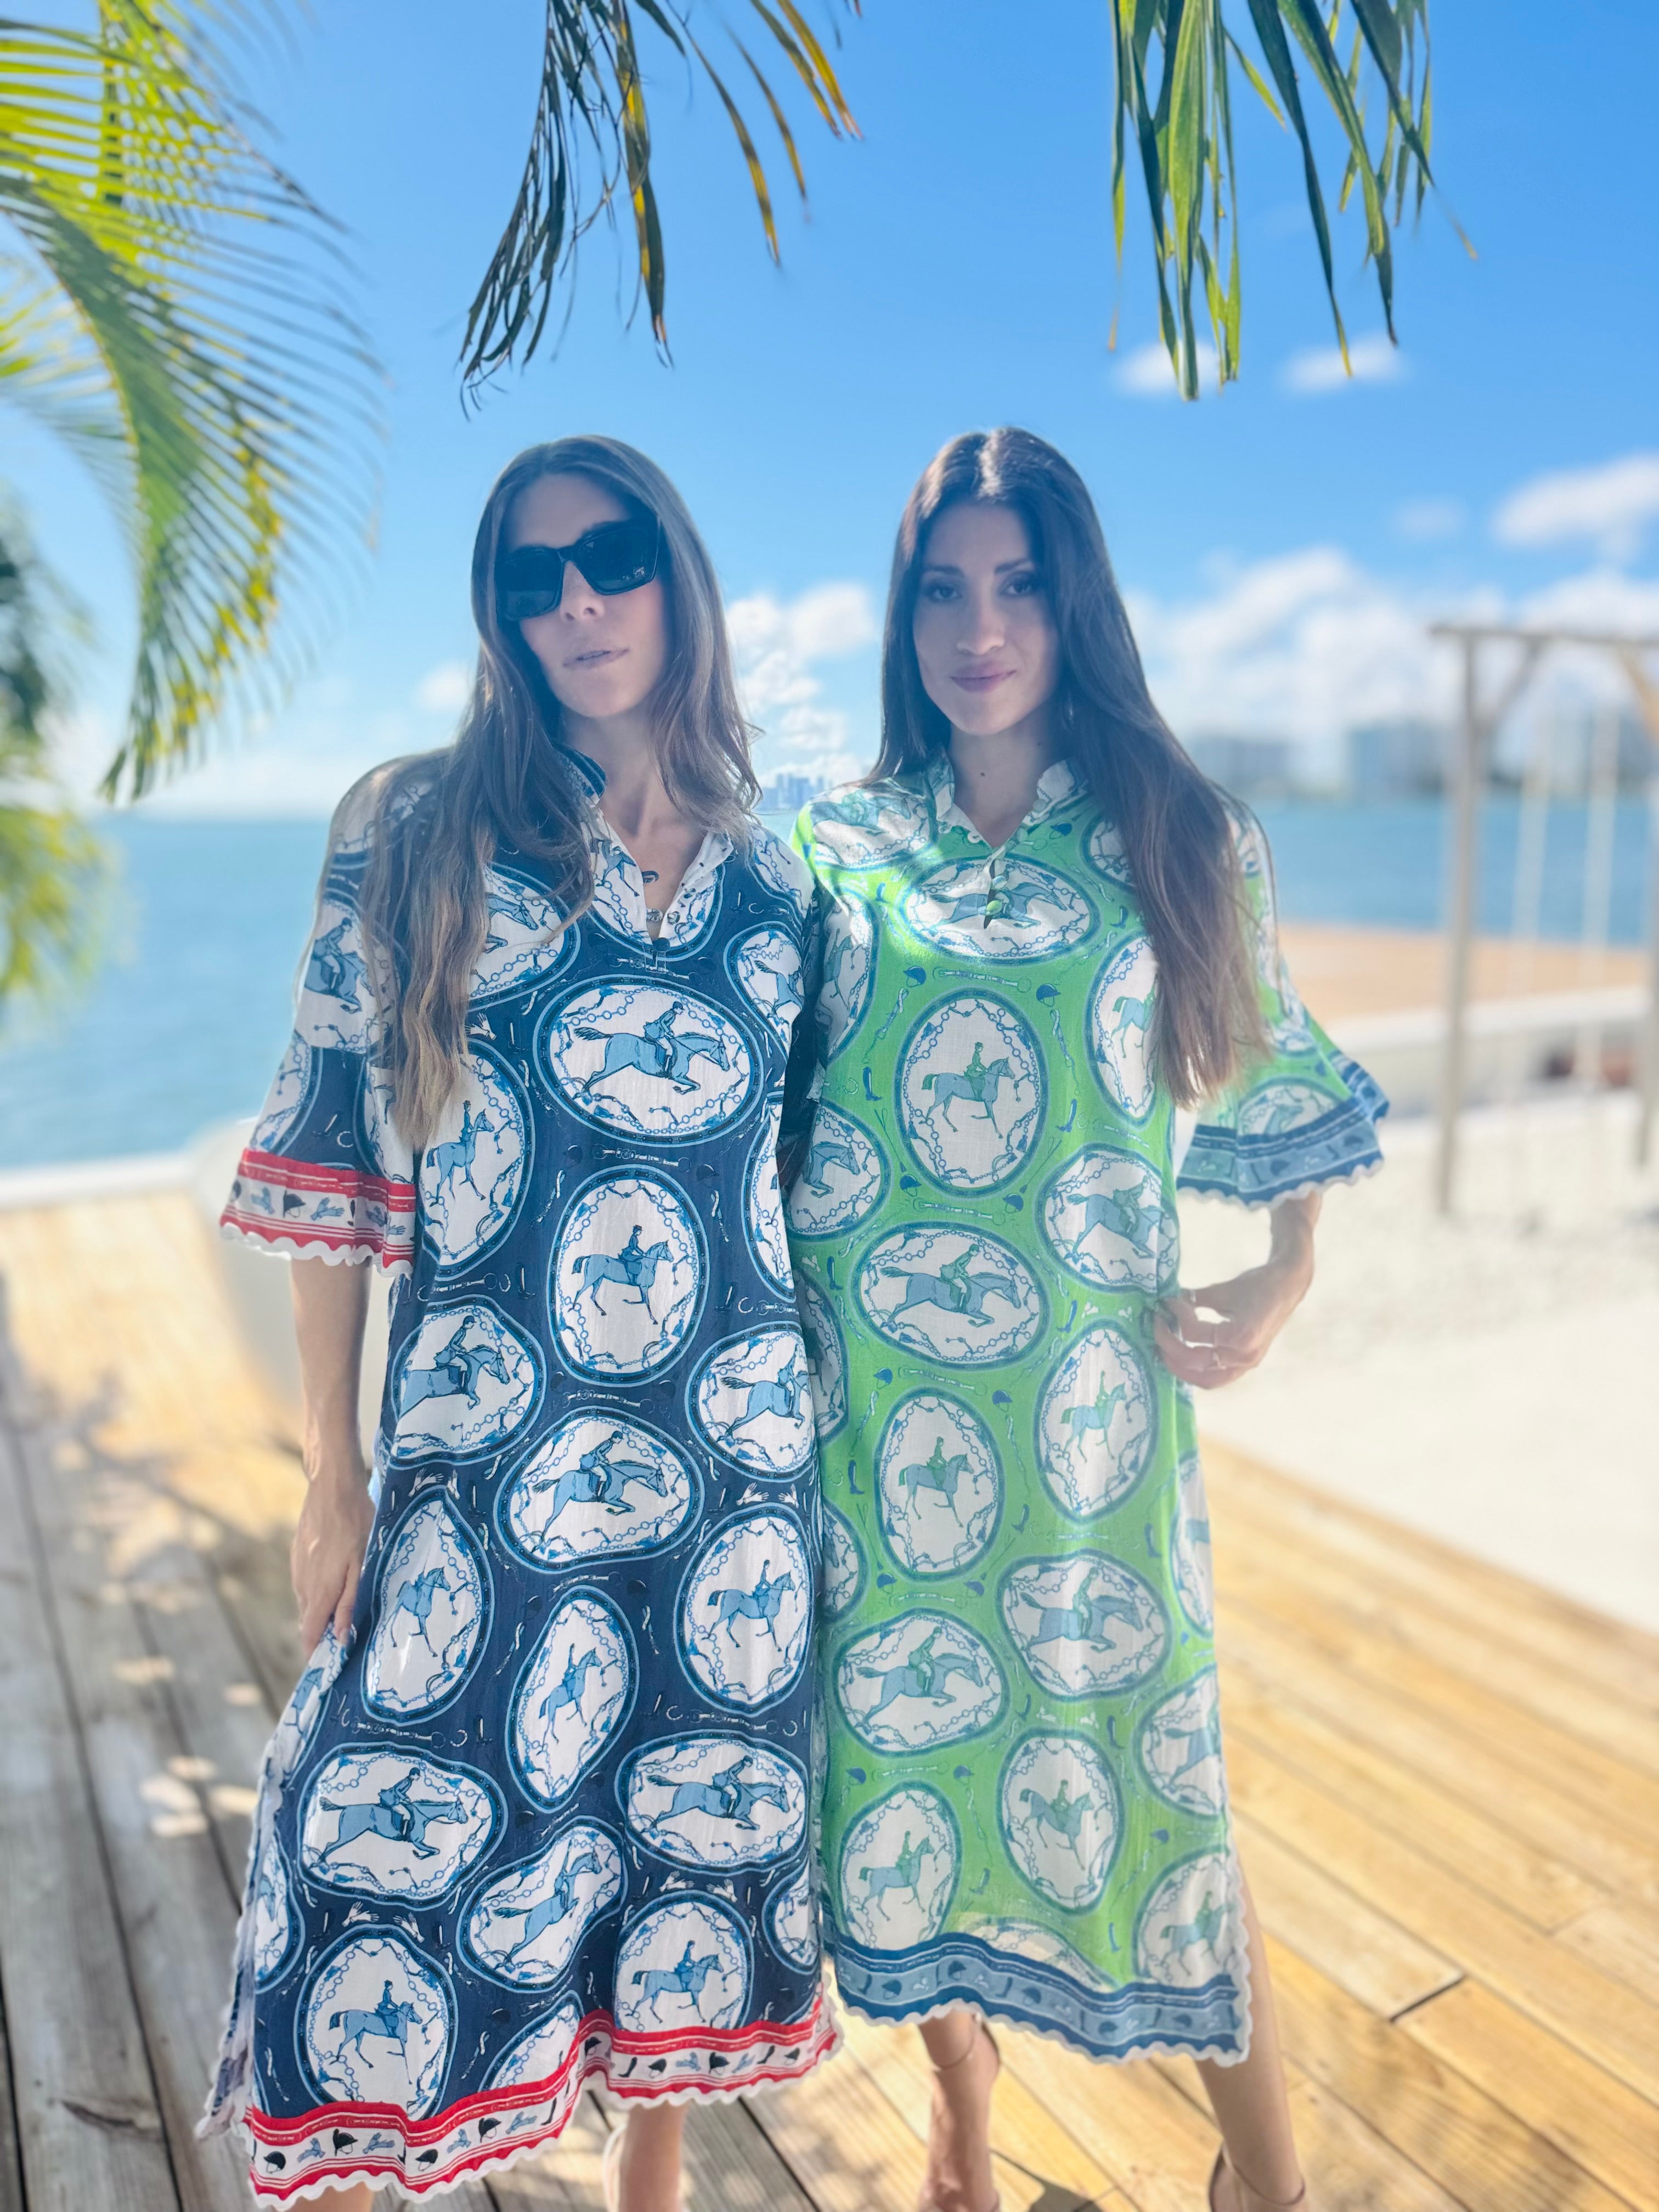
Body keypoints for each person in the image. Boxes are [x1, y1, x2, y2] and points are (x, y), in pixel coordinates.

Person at [200, 437, 834, 2210]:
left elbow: (806, 1186)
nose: (577, 603)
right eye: (530, 577)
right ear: (497, 614)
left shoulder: (784, 879)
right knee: (365, 1847)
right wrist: (330, 1471)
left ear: (677, 575)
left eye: (613, 557)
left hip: (729, 1470)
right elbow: (333, 1162)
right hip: (486, 1454)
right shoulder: (412, 831)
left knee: (683, 1852)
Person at [786, 428, 1387, 2212]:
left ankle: (1267, 2185)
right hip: (866, 1418)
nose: (981, 629)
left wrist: (1287, 1266)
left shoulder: (1180, 835)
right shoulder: (834, 845)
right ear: (903, 616)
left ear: (1078, 606)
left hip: (1087, 1428)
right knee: (898, 1783)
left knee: (1164, 1785)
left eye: (1020, 586)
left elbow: (1273, 1060)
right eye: (944, 591)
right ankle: (963, 2110)